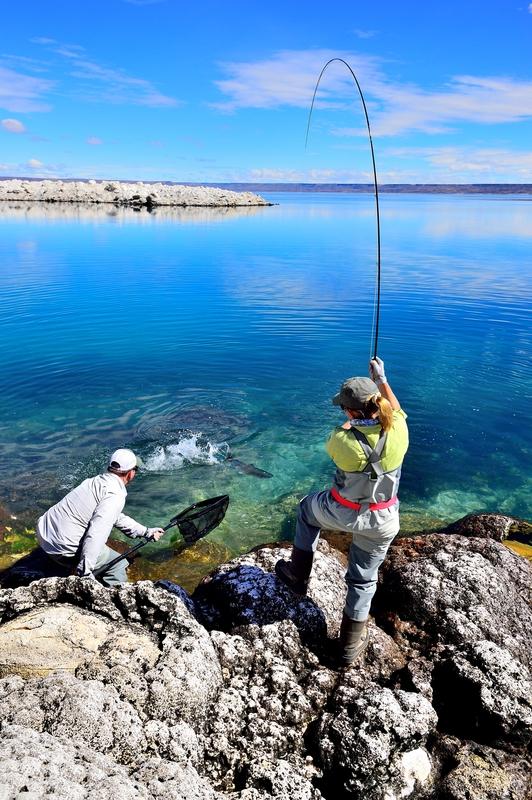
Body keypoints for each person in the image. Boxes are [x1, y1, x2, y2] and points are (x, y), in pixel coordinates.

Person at [275, 357, 408, 666]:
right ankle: (348, 649)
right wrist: (382, 379)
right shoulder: (399, 427)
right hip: (384, 519)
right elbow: (395, 409)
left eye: (344, 408)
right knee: (363, 581)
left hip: (342, 511)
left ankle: (296, 575)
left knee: (306, 511)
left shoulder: (342, 440)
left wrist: (353, 419)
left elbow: (347, 431)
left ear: (350, 411)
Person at [36, 448, 164, 587]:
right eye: (135, 469)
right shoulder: (115, 494)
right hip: (61, 548)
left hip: (44, 533)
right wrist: (86, 570)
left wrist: (145, 531)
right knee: (119, 565)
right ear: (130, 474)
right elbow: (97, 532)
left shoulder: (95, 481)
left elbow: (114, 516)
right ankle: (112, 599)